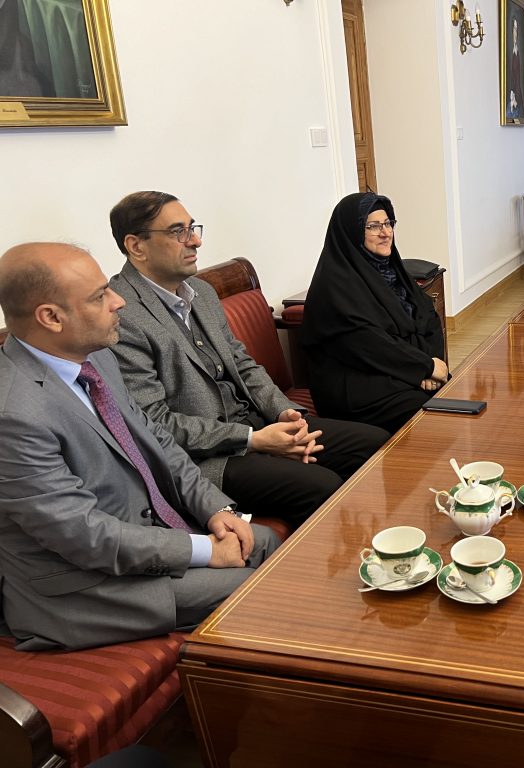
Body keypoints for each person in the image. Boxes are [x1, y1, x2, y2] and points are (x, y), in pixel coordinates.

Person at [0, 243, 279, 651]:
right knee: (261, 588)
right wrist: (204, 550)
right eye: (100, 296)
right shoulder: (13, 414)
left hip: (144, 536)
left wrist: (217, 510)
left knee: (268, 543)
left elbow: (158, 442)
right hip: (87, 586)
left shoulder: (97, 359)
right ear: (51, 317)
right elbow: (82, 534)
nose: (119, 301)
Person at [107, 191, 389, 528]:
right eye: (178, 232)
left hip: (258, 424)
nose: (195, 240)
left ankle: (376, 538)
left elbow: (242, 363)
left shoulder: (201, 292)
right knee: (322, 485)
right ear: (136, 246)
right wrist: (253, 440)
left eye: (193, 228)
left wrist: (284, 413)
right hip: (204, 459)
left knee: (374, 444)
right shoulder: (121, 315)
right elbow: (154, 423)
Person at [301, 192, 447, 434]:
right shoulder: (333, 286)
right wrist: (424, 367)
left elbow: (428, 317)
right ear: (352, 233)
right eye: (373, 226)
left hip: (401, 371)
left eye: (388, 223)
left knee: (454, 394)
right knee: (433, 416)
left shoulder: (393, 272)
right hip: (358, 388)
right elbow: (369, 344)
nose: (385, 232)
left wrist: (432, 363)